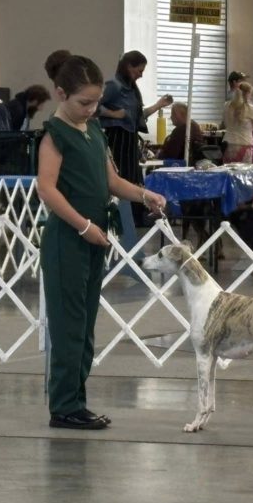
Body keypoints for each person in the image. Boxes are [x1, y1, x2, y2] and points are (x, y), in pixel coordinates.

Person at [36, 54, 167, 430]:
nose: (92, 109)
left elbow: (112, 181)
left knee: (85, 324)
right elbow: (47, 189)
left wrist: (144, 194)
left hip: (94, 238)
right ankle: (64, 405)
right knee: (69, 326)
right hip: (68, 239)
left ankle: (76, 401)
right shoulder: (54, 135)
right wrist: (82, 227)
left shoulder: (93, 130)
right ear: (60, 94)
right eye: (84, 102)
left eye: (96, 102)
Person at [96, 50, 172, 225]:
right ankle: (122, 219)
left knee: (133, 178)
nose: (141, 75)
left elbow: (137, 117)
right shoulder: (114, 86)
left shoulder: (131, 89)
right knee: (121, 178)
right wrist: (114, 114)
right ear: (129, 66)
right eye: (139, 70)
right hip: (118, 139)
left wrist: (159, 105)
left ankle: (134, 218)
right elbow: (94, 106)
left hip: (130, 139)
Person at [222, 81, 253, 163]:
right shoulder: (251, 109)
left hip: (229, 146)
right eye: (250, 94)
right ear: (248, 94)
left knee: (229, 170)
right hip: (246, 145)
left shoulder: (226, 106)